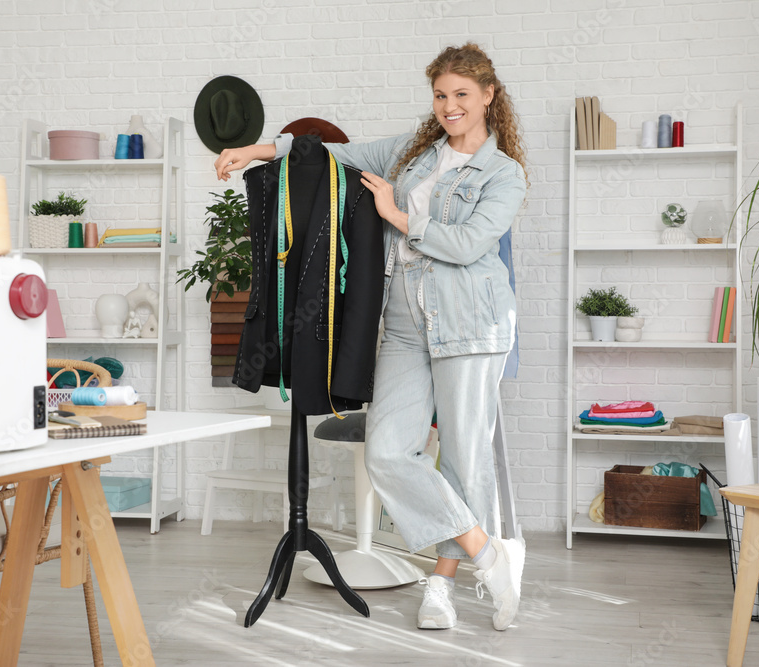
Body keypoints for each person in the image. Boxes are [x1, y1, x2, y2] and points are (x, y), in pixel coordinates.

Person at [215, 43, 528, 632]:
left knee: (463, 460)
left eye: (462, 94)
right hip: (406, 325)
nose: (449, 106)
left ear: (488, 95)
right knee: (387, 451)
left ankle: (442, 585)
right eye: (440, 95)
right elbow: (331, 152)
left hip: (471, 324)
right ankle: (491, 554)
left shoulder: (504, 174)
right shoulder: (412, 155)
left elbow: (465, 247)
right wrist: (252, 151)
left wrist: (396, 213)